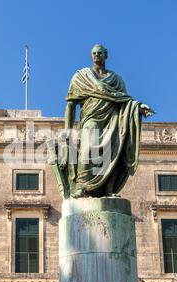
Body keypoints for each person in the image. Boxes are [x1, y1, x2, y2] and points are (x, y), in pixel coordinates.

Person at [59, 44, 155, 198]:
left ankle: (108, 190)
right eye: (94, 53)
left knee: (113, 153)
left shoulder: (116, 80)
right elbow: (70, 105)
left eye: (100, 53)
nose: (97, 55)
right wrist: (67, 132)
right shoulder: (81, 77)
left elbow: (125, 101)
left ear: (106, 55)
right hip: (91, 118)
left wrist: (138, 107)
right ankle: (83, 186)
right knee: (88, 148)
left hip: (113, 119)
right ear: (91, 55)